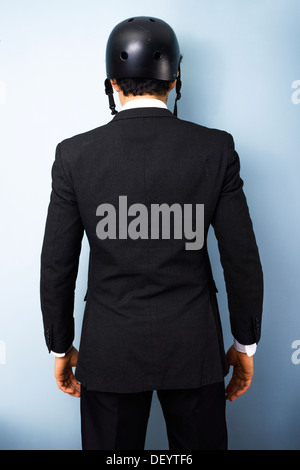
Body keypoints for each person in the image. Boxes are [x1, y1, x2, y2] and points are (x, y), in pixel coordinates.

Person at [40, 16, 263, 451]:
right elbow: (242, 258)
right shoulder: (216, 149)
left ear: (111, 84)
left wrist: (60, 347)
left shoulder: (74, 156)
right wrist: (245, 344)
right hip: (194, 351)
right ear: (175, 79)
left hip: (109, 353)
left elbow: (57, 266)